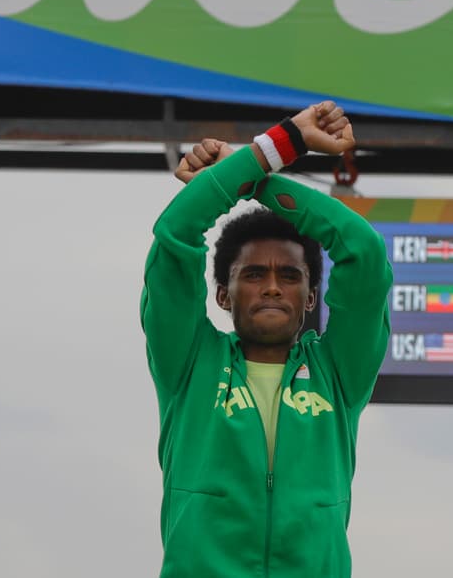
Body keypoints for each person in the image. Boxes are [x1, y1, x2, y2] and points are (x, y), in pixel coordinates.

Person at [141, 101, 393, 578]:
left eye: (290, 275)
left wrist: (256, 178)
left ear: (312, 296)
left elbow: (365, 251)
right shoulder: (188, 363)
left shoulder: (338, 374)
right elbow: (176, 233)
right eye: (254, 274)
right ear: (222, 293)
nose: (273, 286)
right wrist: (278, 144)